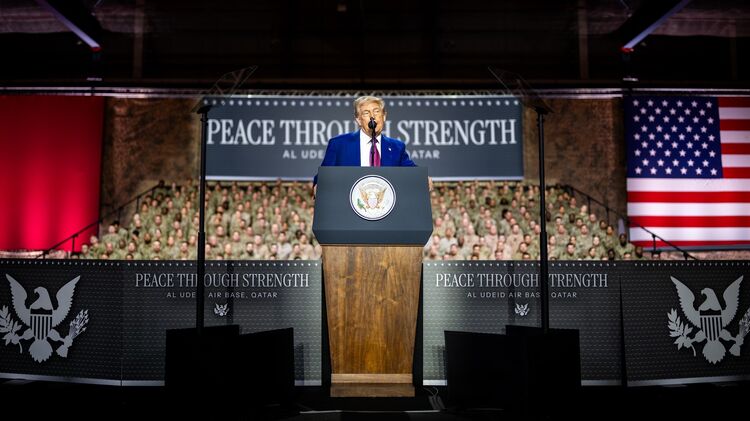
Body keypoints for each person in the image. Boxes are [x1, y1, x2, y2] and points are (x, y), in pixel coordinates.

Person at [314, 95, 430, 193]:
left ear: (384, 116)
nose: (372, 116)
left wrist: (423, 178)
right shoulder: (339, 144)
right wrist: (318, 185)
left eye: (376, 111)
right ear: (359, 120)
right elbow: (324, 175)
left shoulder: (397, 147)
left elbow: (411, 171)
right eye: (366, 113)